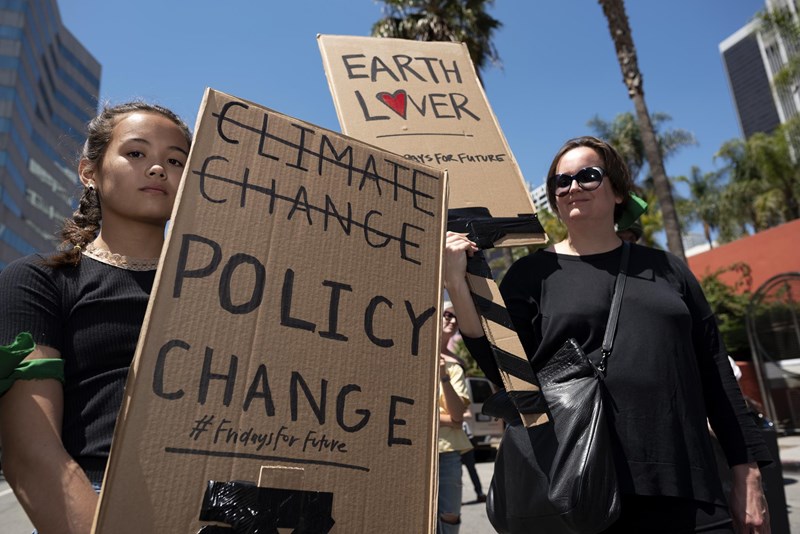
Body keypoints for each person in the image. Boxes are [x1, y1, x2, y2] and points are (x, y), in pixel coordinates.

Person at [444, 136, 772, 533]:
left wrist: (748, 473)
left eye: (588, 175)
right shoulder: (531, 275)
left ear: (618, 190)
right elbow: (507, 375)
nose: (572, 187)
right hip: (583, 488)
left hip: (690, 488)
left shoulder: (668, 269)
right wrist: (456, 284)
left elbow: (716, 376)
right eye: (560, 182)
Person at [0, 101, 192, 533]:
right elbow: (31, 453)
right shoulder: (39, 282)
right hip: (98, 505)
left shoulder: (221, 290)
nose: (159, 169)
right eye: (137, 153)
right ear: (89, 172)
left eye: (176, 160)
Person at [437, 302, 473, 533]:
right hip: (413, 449)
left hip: (448, 452)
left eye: (456, 319)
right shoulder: (412, 354)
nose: (451, 321)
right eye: (447, 315)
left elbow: (458, 415)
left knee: (450, 517)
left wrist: (443, 376)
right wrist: (446, 419)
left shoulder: (455, 366)